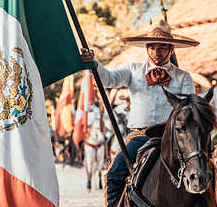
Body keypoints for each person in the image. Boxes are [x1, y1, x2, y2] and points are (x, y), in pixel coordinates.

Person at [81, 19, 199, 207]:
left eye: (161, 47)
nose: (156, 52)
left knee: (203, 170)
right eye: (152, 47)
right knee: (113, 175)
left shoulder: (184, 77)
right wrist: (93, 64)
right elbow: (109, 79)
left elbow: (189, 109)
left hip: (173, 138)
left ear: (171, 49)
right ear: (146, 48)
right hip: (139, 136)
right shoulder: (132, 69)